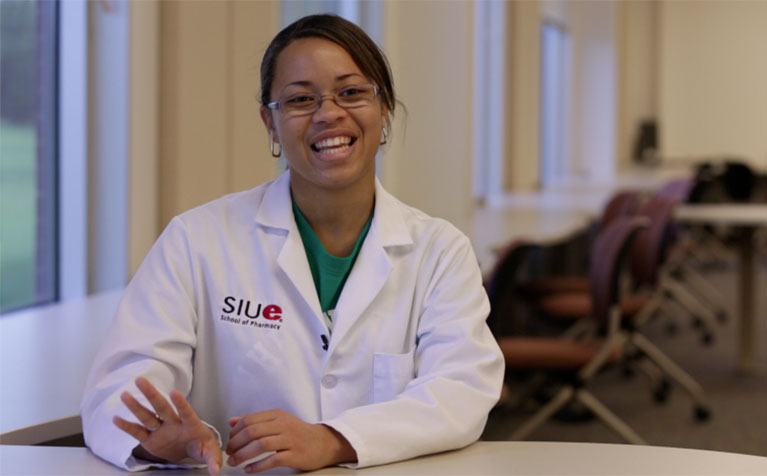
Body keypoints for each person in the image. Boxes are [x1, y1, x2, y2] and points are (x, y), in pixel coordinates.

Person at [80, 14, 504, 475]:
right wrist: (160, 441)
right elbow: (122, 390)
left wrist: (334, 440)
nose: (329, 113)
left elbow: (462, 391)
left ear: (384, 109)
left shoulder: (440, 252)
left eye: (352, 92)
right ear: (270, 122)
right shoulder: (197, 240)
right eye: (301, 99)